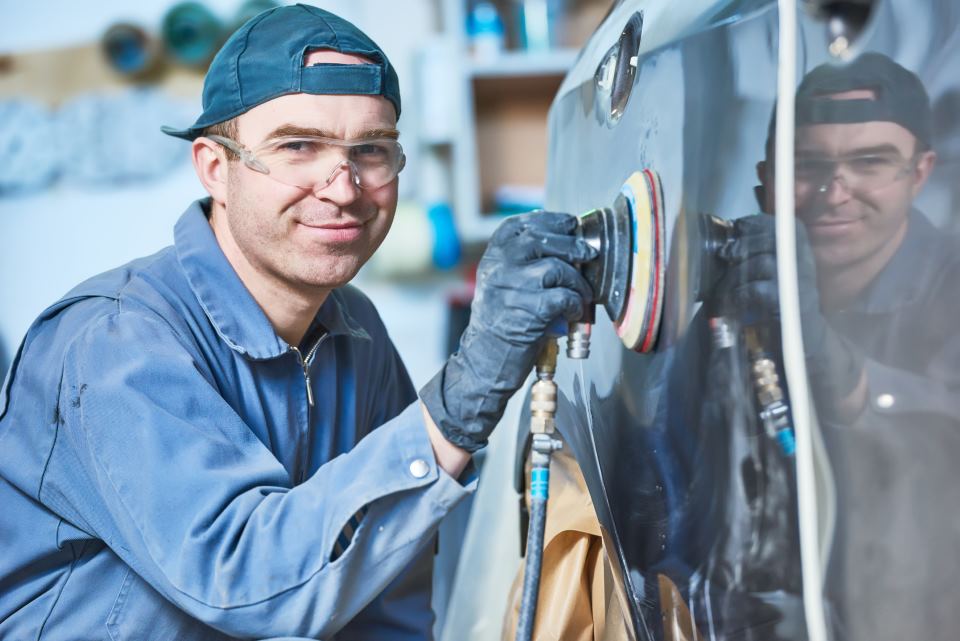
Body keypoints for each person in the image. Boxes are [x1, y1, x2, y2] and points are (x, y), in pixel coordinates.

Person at [0, 5, 595, 640]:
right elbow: (241, 576)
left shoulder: (354, 330)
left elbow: (387, 592)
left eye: (371, 149)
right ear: (213, 168)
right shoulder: (114, 342)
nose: (343, 187)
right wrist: (461, 398)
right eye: (297, 146)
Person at [722, 52, 960, 640]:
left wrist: (840, 372)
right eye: (807, 166)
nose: (834, 191)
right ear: (765, 183)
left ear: (920, 172)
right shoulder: (727, 302)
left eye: (871, 162)